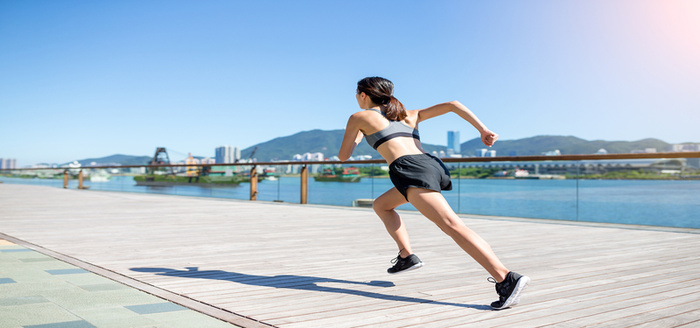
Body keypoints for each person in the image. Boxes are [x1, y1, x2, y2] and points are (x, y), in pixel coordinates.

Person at [339, 76, 529, 310]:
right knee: (382, 205)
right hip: (429, 165)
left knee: (453, 225)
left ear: (363, 95)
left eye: (356, 95)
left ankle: (506, 278)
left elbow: (344, 156)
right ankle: (406, 256)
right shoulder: (407, 114)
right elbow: (453, 104)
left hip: (409, 170)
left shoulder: (359, 117)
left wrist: (359, 132)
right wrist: (484, 129)